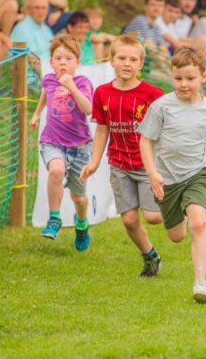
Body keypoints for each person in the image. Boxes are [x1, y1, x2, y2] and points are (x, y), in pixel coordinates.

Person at [139, 46, 206, 304]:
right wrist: (152, 173)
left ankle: (200, 281)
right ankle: (180, 215)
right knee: (176, 236)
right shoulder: (161, 106)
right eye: (178, 78)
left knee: (198, 223)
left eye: (190, 78)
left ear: (203, 77)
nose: (184, 84)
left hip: (198, 172)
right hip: (167, 178)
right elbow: (146, 141)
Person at [79, 36, 165, 277]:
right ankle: (150, 256)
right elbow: (102, 129)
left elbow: (167, 128)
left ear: (141, 64)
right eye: (122, 58)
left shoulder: (153, 94)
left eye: (133, 59)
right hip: (119, 164)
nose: (127, 63)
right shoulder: (102, 93)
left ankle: (179, 202)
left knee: (154, 217)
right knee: (128, 219)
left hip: (148, 165)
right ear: (111, 60)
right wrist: (95, 161)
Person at [29, 35, 95, 251]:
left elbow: (89, 110)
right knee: (55, 171)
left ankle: (82, 223)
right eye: (58, 58)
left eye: (68, 58)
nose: (63, 62)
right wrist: (37, 114)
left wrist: (72, 88)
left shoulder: (83, 83)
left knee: (79, 197)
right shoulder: (48, 79)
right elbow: (45, 94)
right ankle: (54, 219)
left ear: (77, 62)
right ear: (52, 62)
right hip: (52, 142)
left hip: (80, 148)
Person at [11, 0, 53, 71]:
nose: (40, 11)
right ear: (29, 9)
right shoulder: (22, 29)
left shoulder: (47, 30)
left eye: (44, 8)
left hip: (49, 71)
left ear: (48, 10)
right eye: (37, 8)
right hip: (32, 78)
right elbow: (34, 63)